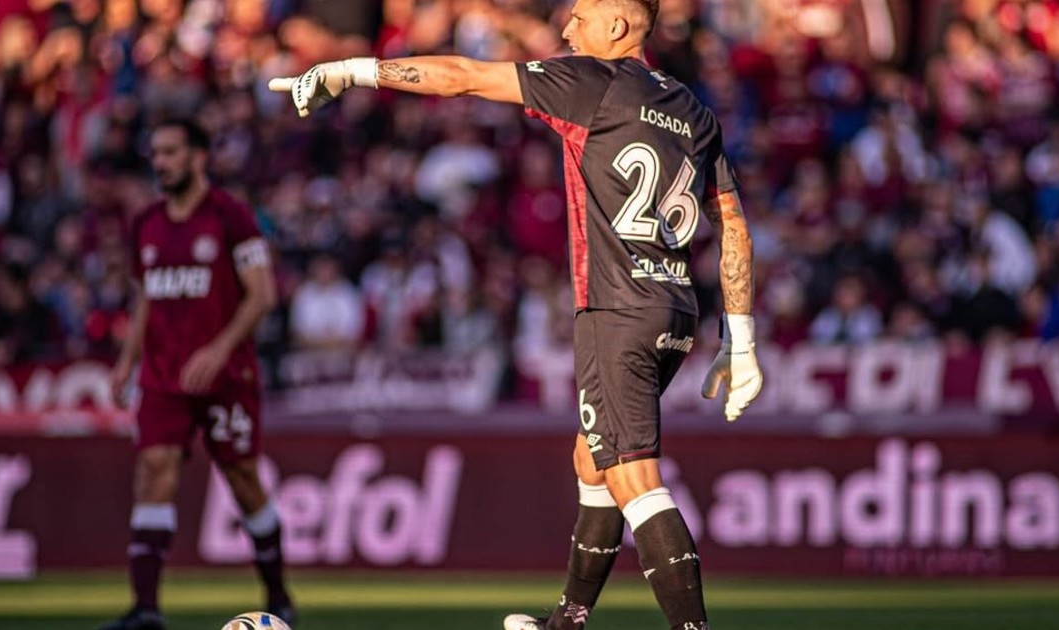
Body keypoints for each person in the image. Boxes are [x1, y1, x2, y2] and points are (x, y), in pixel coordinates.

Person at [270, 0, 763, 627]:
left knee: (634, 477)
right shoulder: (693, 109)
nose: (567, 28)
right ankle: (566, 621)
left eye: (580, 16)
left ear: (616, 25)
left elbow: (463, 77)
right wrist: (740, 337)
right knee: (593, 460)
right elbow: (733, 225)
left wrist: (352, 70)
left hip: (614, 308)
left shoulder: (592, 80)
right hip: (674, 308)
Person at [101, 119, 295, 630]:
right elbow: (146, 298)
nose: (160, 163)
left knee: (243, 478)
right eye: (156, 153)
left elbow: (262, 295)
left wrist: (219, 348)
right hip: (163, 377)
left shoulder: (232, 216)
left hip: (227, 376)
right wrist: (127, 360)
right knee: (154, 471)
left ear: (199, 157)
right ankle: (145, 608)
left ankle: (278, 596)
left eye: (170, 152)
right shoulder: (146, 223)